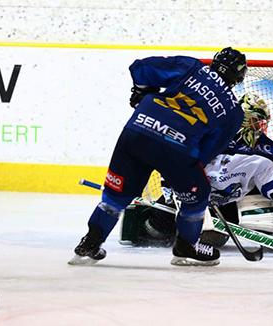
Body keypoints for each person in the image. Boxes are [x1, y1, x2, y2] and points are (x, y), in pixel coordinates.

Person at [69, 47, 248, 266]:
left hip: (137, 132)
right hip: (176, 150)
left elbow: (139, 68)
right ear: (238, 77)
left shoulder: (191, 66)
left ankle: (90, 243)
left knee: (115, 197)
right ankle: (186, 247)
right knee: (199, 196)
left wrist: (142, 92)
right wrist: (181, 177)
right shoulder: (233, 111)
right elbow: (207, 151)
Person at [120, 92, 273, 252]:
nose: (261, 128)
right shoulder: (204, 134)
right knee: (155, 228)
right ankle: (168, 226)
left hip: (224, 209)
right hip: (183, 200)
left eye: (262, 124)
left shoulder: (268, 151)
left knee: (252, 213)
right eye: (257, 123)